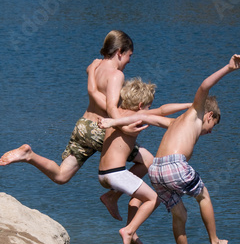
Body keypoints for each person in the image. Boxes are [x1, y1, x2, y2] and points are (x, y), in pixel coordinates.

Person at [0, 30, 146, 226]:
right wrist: (125, 125)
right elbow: (111, 107)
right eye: (129, 55)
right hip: (100, 130)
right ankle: (112, 197)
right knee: (148, 161)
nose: (129, 61)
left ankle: (29, 155)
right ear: (119, 52)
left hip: (83, 126)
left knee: (61, 176)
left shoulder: (94, 67)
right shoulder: (116, 75)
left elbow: (92, 81)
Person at [146, 54, 240, 244]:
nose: (210, 132)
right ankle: (214, 241)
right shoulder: (196, 112)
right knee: (203, 196)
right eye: (213, 125)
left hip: (155, 170)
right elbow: (204, 86)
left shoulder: (177, 123)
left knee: (179, 213)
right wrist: (228, 68)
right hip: (174, 165)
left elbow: (149, 118)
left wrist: (115, 120)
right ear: (209, 115)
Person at [97, 77, 191, 244]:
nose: (150, 110)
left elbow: (161, 110)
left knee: (149, 162)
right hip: (116, 174)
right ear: (141, 105)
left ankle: (113, 198)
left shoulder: (116, 114)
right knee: (154, 199)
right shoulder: (136, 117)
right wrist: (190, 106)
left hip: (104, 173)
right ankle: (129, 230)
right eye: (148, 107)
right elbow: (163, 111)